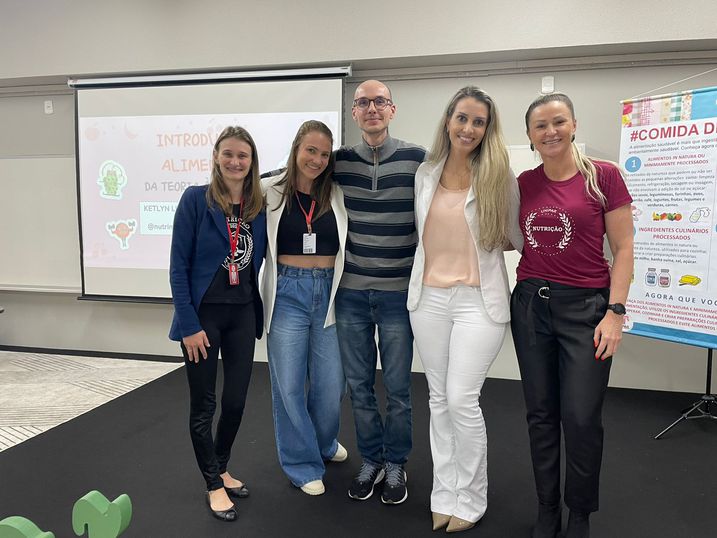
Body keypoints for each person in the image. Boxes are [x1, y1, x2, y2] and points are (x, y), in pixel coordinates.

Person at [511, 93, 633, 538]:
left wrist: (615, 312)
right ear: (530, 135)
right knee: (541, 414)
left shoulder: (603, 177)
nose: (551, 132)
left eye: (558, 121)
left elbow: (623, 248)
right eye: (540, 126)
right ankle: (547, 508)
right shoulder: (523, 183)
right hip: (531, 306)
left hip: (586, 310)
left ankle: (578, 511)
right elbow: (505, 235)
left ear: (574, 125)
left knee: (581, 418)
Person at [408, 86, 522, 532]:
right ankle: (444, 492)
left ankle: (471, 497)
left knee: (461, 399)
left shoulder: (499, 176)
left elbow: (516, 236)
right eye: (462, 118)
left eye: (478, 122)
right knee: (438, 399)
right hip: (429, 300)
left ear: (487, 129)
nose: (469, 128)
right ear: (448, 120)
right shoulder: (425, 173)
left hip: (478, 300)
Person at [333, 80, 425, 505]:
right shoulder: (338, 162)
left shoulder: (418, 160)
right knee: (359, 387)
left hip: (397, 297)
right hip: (350, 295)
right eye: (363, 102)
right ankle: (370, 460)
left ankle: (396, 464)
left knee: (399, 390)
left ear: (392, 109)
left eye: (380, 101)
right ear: (354, 112)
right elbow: (289, 175)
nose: (372, 108)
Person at [169, 126, 266, 522]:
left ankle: (221, 466)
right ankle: (212, 484)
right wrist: (188, 325)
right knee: (204, 405)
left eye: (243, 155)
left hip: (242, 314)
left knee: (236, 401)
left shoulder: (258, 206)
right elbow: (178, 267)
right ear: (215, 157)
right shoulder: (195, 200)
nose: (235, 162)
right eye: (228, 154)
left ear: (252, 161)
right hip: (203, 318)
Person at [261, 120, 348, 496]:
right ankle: (301, 463)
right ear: (296, 147)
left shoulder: (336, 192)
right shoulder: (268, 190)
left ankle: (323, 443)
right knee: (289, 384)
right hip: (287, 293)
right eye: (311, 150)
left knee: (332, 384)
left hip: (328, 293)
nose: (317, 159)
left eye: (324, 154)